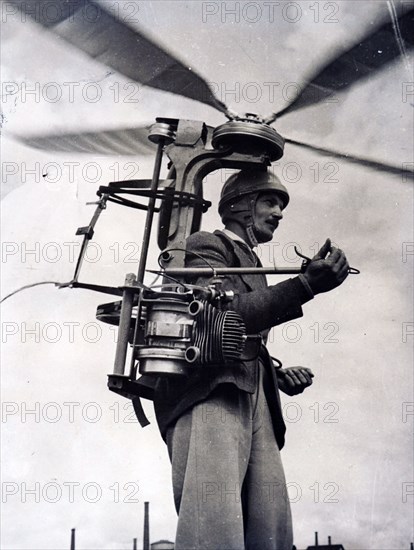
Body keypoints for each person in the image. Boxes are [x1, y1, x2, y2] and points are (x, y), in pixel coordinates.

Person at [153, 168, 350, 550]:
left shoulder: (251, 264)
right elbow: (216, 318)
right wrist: (305, 285)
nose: (279, 213)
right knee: (213, 522)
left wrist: (274, 376)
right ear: (241, 206)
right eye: (271, 202)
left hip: (252, 394)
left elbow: (239, 332)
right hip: (210, 394)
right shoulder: (205, 244)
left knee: (269, 523)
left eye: (280, 205)